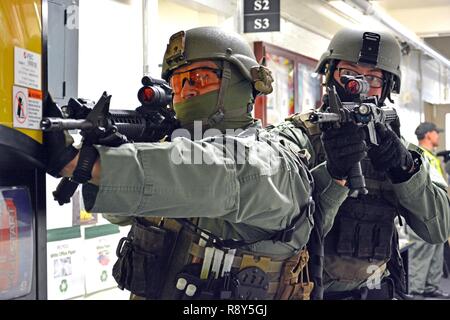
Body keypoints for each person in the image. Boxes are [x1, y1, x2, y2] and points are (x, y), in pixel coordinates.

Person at [43, 26, 367, 300]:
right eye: (178, 84)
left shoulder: (269, 159)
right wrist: (118, 151)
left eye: (198, 79)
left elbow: (215, 172)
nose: (186, 94)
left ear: (242, 82)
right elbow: (122, 212)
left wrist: (82, 163)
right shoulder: (174, 150)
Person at [290, 28, 450, 300]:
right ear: (330, 76)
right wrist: (332, 174)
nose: (359, 85)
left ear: (387, 87)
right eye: (349, 74)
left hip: (376, 291)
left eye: (373, 78)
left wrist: (405, 171)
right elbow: (283, 230)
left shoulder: (398, 148)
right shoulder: (298, 138)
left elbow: (438, 229)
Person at [408, 122, 450, 299]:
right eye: (435, 132)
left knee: (437, 247)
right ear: (427, 135)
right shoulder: (419, 155)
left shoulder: (431, 156)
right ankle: (416, 289)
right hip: (425, 210)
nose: (438, 136)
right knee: (421, 249)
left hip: (436, 210)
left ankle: (430, 285)